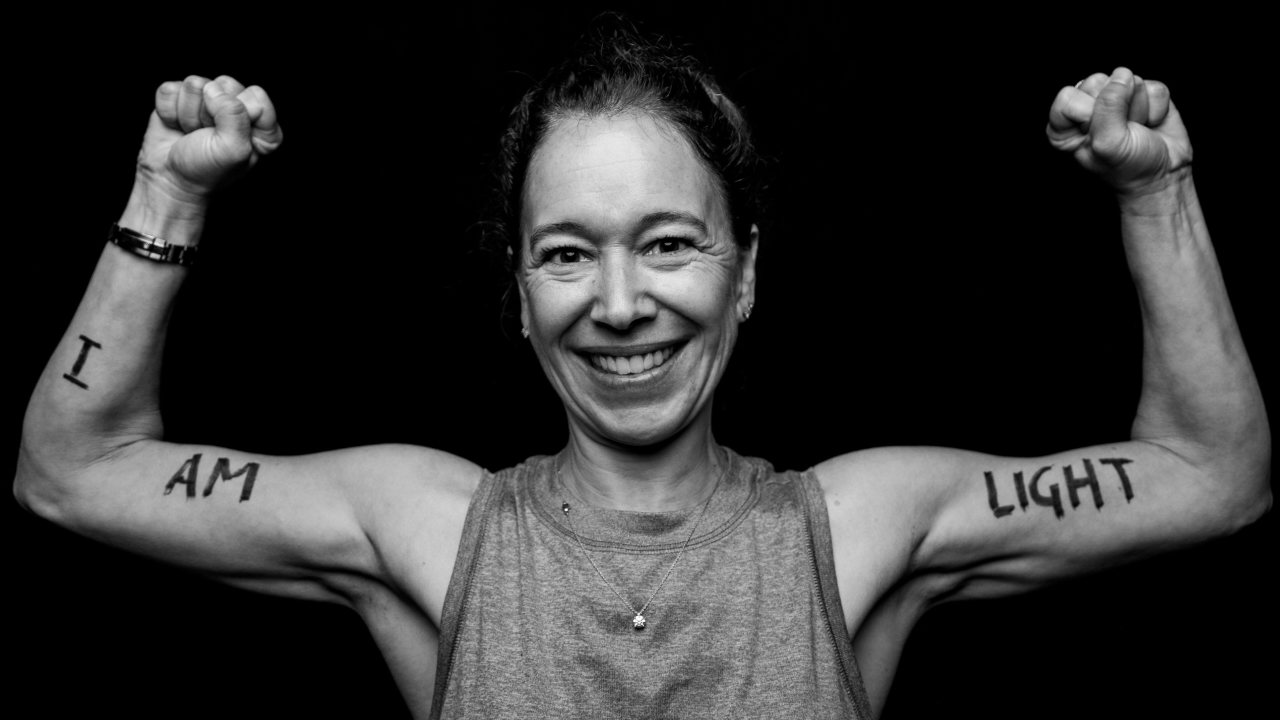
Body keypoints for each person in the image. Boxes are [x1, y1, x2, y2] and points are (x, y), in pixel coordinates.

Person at [13, 20, 1271, 720]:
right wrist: (165, 191)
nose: (619, 306)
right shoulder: (428, 529)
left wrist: (1155, 195)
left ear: (745, 273)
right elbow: (73, 473)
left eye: (668, 243)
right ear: (519, 292)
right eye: (567, 254)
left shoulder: (856, 527)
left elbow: (1206, 476)